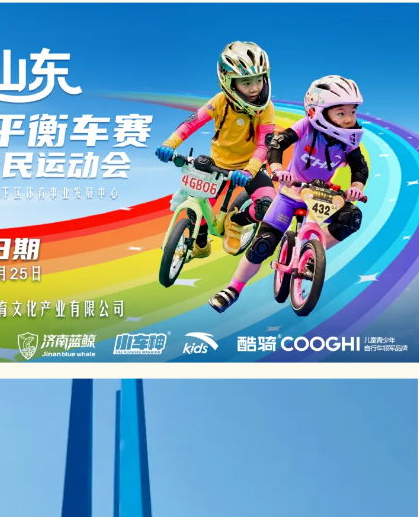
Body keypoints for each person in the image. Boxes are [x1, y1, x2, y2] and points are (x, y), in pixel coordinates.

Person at [210, 73, 368, 314]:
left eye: (353, 112)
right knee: (263, 244)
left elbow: (359, 166)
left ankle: (312, 254)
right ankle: (233, 288)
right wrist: (277, 170)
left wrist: (356, 187)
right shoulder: (306, 126)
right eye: (341, 113)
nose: (349, 119)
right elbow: (277, 144)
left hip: (322, 196)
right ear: (318, 112)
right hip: (291, 194)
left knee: (351, 219)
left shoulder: (349, 140)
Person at [155, 40, 275, 257]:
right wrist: (168, 144)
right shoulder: (220, 101)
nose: (255, 88)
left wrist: (249, 171)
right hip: (218, 166)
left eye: (259, 79)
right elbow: (192, 123)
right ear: (229, 83)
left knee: (268, 205)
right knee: (196, 209)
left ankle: (236, 222)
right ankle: (201, 243)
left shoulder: (267, 109)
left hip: (250, 168)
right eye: (246, 82)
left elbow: (263, 145)